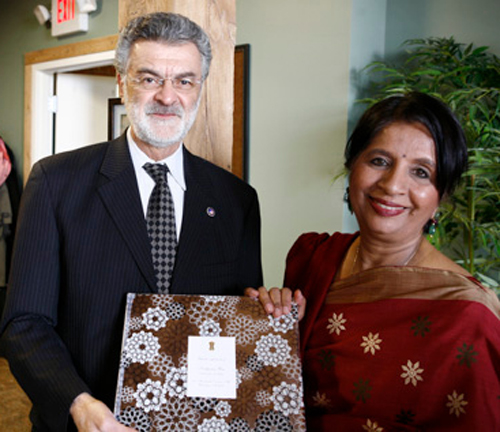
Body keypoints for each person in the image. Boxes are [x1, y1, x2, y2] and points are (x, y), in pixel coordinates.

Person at [0, 12, 262, 432]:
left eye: (184, 81)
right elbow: (23, 324)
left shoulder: (236, 201)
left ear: (199, 90)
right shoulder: (55, 182)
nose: (167, 96)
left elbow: (239, 319)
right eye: (149, 78)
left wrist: (272, 309)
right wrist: (81, 406)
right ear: (122, 83)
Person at [249, 92, 500, 431]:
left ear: (440, 197)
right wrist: (265, 327)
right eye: (379, 161)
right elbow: (278, 393)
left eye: (421, 173)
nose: (393, 185)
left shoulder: (468, 314)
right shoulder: (312, 257)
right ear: (352, 167)